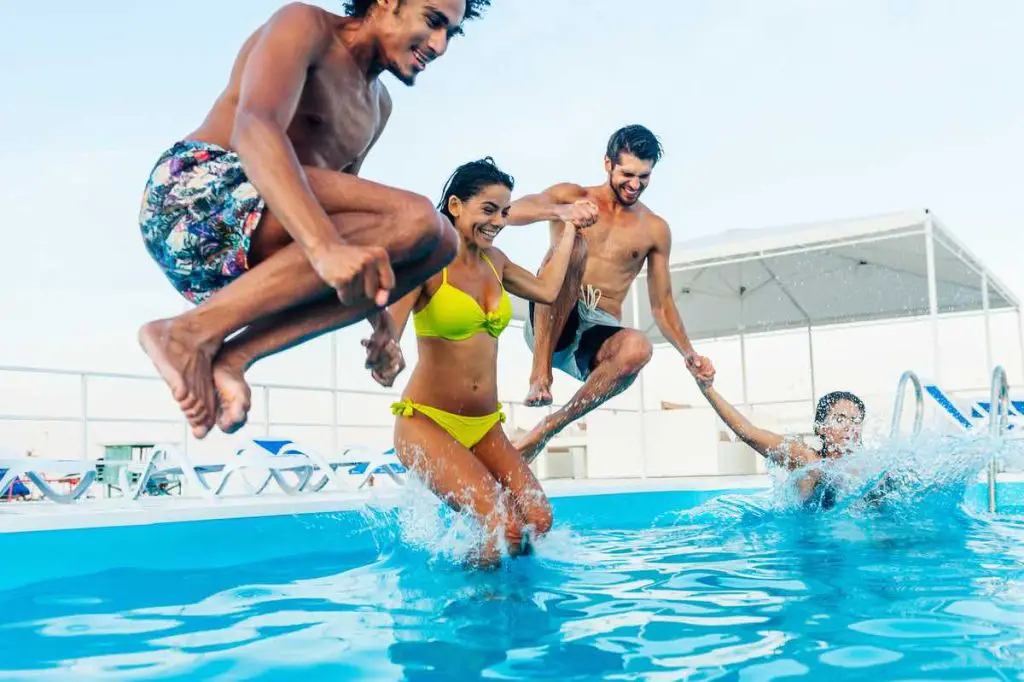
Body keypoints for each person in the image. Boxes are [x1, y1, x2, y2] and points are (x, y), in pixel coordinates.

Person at [137, 0, 491, 438]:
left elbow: (359, 219)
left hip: (247, 249)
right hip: (191, 200)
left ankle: (231, 356)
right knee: (420, 217)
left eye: (450, 34)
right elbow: (255, 128)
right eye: (433, 22)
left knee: (438, 245)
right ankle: (186, 333)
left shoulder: (378, 107)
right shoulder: (306, 26)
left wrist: (382, 322)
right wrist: (324, 248)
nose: (439, 46)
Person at [385, 158, 585, 567]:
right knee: (499, 522)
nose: (498, 220)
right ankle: (471, 615)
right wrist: (387, 350)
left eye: (505, 211)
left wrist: (569, 229)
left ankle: (499, 600)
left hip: (484, 426)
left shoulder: (496, 261)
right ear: (456, 205)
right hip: (426, 421)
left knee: (537, 520)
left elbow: (547, 290)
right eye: (488, 209)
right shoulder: (428, 263)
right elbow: (390, 326)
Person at [505, 124, 714, 461]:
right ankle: (539, 373)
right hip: (552, 319)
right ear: (608, 164)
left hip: (596, 335)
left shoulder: (654, 229)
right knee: (573, 247)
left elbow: (661, 305)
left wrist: (689, 353)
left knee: (639, 348)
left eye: (644, 176)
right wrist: (562, 213)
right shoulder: (571, 195)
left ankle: (546, 430)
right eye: (627, 173)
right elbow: (509, 212)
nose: (635, 184)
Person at [698, 370, 869, 509]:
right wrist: (708, 389)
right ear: (821, 428)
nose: (849, 426)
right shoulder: (806, 459)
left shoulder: (869, 467)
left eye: (855, 420)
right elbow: (749, 433)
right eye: (839, 419)